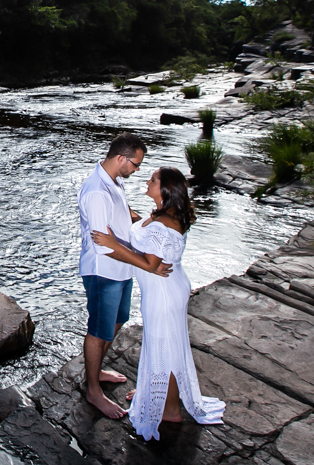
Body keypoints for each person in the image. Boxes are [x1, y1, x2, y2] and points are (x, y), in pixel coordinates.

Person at [91, 167, 225, 440]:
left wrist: (112, 244)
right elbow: (145, 235)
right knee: (163, 345)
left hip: (164, 293)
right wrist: (123, 211)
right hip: (165, 289)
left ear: (165, 189)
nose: (147, 181)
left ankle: (171, 409)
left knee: (166, 349)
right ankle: (157, 391)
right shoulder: (165, 213)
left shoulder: (165, 223)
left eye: (152, 180)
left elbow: (151, 264)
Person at [78, 133, 171, 419]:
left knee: (118, 320)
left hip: (121, 269)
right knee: (99, 330)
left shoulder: (114, 180)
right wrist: (148, 265)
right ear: (121, 158)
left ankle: (94, 371)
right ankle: (93, 391)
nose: (138, 170)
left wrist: (147, 222)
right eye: (136, 164)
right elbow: (103, 246)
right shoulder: (96, 192)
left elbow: (122, 212)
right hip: (103, 271)